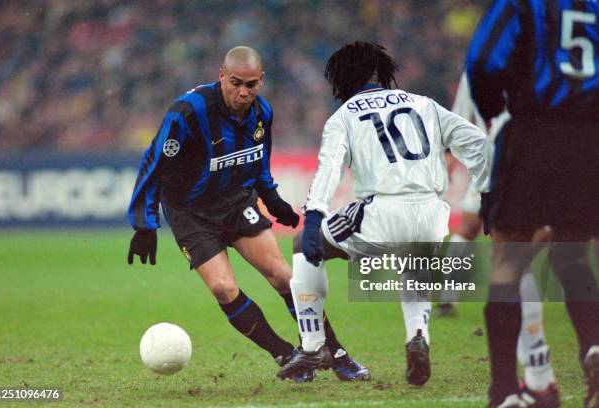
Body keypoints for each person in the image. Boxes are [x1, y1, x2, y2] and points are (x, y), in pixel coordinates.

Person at [126, 46, 369, 381]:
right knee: (224, 288)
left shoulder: (262, 112)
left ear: (261, 81)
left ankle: (336, 352)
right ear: (221, 76)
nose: (243, 92)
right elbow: (154, 164)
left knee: (285, 276)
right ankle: (287, 354)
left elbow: (257, 162)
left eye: (251, 85)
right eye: (236, 83)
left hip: (235, 201)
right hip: (190, 213)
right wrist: (144, 224)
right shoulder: (187, 112)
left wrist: (273, 198)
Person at [277, 41, 492, 386]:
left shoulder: (344, 116)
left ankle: (314, 344)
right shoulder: (425, 104)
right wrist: (488, 195)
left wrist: (314, 215)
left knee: (304, 243)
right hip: (431, 214)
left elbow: (328, 170)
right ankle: (417, 336)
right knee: (413, 267)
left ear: (343, 77)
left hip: (381, 211)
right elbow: (480, 145)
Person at [467, 0, 599, 406]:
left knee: (508, 260)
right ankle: (594, 347)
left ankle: (505, 390)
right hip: (591, 139)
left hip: (533, 133)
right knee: (573, 255)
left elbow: (484, 62)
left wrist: (494, 112)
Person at [438, 73, 559, 404]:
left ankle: (448, 292)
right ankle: (537, 364)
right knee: (521, 250)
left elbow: (459, 114)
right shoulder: (543, 58)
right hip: (535, 157)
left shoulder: (478, 67)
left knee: (486, 240)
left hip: (494, 158)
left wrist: (450, 156)